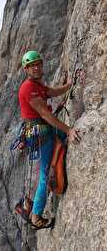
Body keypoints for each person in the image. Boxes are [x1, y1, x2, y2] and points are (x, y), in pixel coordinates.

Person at [18, 50, 81, 229]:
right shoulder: (28, 88)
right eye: (32, 66)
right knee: (45, 174)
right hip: (40, 133)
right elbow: (45, 114)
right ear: (26, 69)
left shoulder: (37, 85)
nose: (37, 68)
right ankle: (36, 216)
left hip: (45, 130)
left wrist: (70, 85)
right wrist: (68, 130)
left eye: (38, 64)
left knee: (61, 140)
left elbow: (52, 92)